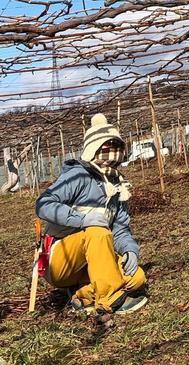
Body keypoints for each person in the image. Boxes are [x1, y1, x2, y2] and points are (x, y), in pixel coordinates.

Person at [35, 113, 147, 316]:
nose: (113, 153)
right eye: (107, 147)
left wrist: (130, 250)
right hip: (61, 260)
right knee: (97, 231)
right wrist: (81, 220)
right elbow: (43, 204)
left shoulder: (117, 185)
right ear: (94, 149)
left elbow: (120, 229)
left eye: (117, 147)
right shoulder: (77, 176)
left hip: (92, 259)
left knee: (136, 278)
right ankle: (111, 300)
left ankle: (83, 294)